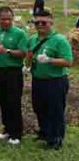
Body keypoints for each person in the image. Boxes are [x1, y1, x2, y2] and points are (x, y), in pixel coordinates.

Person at [27, 10, 73, 150]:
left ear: (51, 23)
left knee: (55, 110)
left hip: (55, 81)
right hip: (38, 79)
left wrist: (50, 60)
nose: (40, 25)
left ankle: (56, 138)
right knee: (39, 107)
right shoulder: (33, 39)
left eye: (44, 22)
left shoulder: (59, 40)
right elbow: (30, 55)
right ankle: (45, 132)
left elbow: (68, 62)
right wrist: (27, 65)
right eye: (37, 22)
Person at [0, 6, 28, 145]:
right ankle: (7, 128)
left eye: (9, 19)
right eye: (3, 19)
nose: (6, 22)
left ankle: (16, 133)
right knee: (2, 101)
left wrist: (7, 51)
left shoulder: (19, 33)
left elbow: (23, 53)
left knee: (13, 102)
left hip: (13, 71)